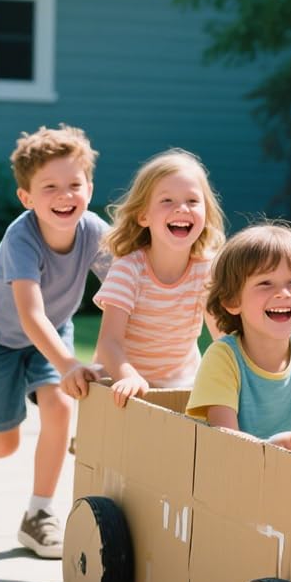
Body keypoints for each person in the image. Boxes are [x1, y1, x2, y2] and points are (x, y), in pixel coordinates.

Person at [0, 124, 110, 558]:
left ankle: (38, 514)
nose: (64, 195)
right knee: (5, 441)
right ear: (26, 197)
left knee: (59, 405)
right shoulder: (22, 239)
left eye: (74, 184)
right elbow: (29, 315)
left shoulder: (95, 232)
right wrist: (71, 363)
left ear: (89, 188)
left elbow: (126, 288)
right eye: (49, 187)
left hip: (53, 329)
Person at [64, 149, 226, 407]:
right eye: (167, 201)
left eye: (193, 201)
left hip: (183, 382)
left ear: (206, 212)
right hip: (122, 378)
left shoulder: (206, 269)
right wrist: (129, 377)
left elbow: (223, 337)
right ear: (143, 216)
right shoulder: (129, 269)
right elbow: (109, 342)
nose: (181, 208)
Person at [185, 221, 291, 455]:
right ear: (233, 301)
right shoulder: (223, 358)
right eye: (265, 283)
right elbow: (224, 441)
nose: (283, 293)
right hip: (241, 479)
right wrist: (272, 450)